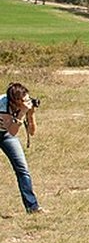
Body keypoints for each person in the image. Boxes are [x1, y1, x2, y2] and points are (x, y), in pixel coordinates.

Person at [0, 82, 43, 214]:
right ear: (15, 101)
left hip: (6, 134)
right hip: (6, 129)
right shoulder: (2, 105)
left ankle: (32, 207)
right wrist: (21, 113)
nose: (27, 100)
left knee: (22, 169)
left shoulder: (26, 105)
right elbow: (12, 130)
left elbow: (32, 132)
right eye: (23, 99)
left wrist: (30, 114)